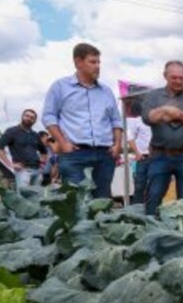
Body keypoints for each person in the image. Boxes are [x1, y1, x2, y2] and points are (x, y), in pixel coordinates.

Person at [42, 42, 123, 198]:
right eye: (92, 62)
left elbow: (116, 120)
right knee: (77, 201)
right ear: (78, 62)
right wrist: (63, 143)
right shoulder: (60, 87)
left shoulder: (106, 91)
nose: (97, 66)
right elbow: (48, 116)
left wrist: (118, 144)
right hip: (74, 156)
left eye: (99, 62)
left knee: (103, 200)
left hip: (104, 155)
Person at [142, 60, 183, 215]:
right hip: (159, 155)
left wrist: (180, 115)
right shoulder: (153, 96)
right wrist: (166, 109)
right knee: (154, 196)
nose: (178, 81)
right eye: (174, 78)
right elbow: (147, 117)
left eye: (182, 78)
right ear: (165, 76)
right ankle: (152, 230)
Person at [0, 109, 48, 188]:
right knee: (23, 197)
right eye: (27, 116)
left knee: (37, 198)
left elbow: (44, 151)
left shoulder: (35, 135)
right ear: (22, 117)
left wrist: (42, 164)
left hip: (37, 171)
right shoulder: (12, 131)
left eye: (32, 117)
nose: (29, 118)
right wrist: (9, 164)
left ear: (34, 121)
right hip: (23, 170)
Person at [125, 101, 152, 205]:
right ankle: (137, 209)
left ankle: (153, 210)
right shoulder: (137, 121)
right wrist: (137, 153)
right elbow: (130, 137)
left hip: (156, 157)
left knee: (155, 185)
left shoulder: (154, 120)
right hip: (143, 157)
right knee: (140, 185)